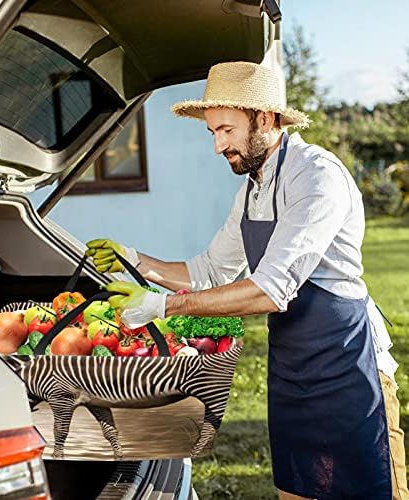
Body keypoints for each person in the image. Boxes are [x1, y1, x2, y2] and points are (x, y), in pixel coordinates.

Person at [85, 62, 408, 500]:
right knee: (296, 490)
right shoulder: (253, 188)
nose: (218, 146)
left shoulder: (316, 178)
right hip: (292, 367)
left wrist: (164, 306)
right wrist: (137, 260)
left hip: (348, 365)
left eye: (226, 130)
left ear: (265, 118)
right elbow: (211, 271)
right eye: (213, 132)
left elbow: (271, 289)